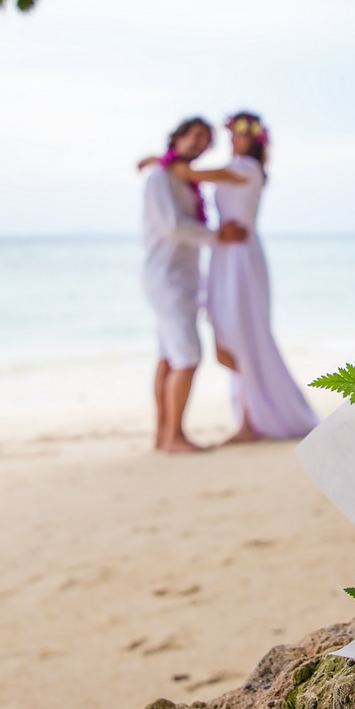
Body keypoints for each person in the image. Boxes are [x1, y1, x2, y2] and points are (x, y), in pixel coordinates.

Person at [162, 112, 320, 442]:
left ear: (255, 139)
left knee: (241, 337)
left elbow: (189, 172)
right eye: (233, 132)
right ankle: (252, 416)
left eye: (241, 132)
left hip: (240, 256)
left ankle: (253, 420)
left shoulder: (246, 168)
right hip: (225, 251)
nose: (235, 137)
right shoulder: (238, 169)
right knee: (231, 338)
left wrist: (160, 159)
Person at [140, 117, 246, 453]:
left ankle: (164, 436)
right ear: (179, 137)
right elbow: (173, 226)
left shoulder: (180, 177)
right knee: (187, 356)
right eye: (196, 136)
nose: (201, 143)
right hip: (166, 278)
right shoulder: (161, 178)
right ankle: (174, 437)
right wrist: (217, 236)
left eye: (207, 140)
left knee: (170, 358)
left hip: (181, 278)